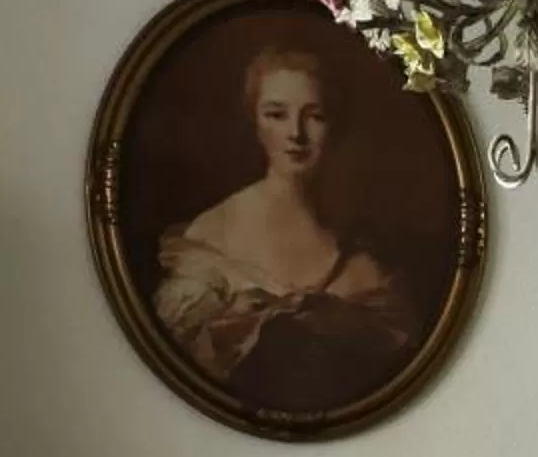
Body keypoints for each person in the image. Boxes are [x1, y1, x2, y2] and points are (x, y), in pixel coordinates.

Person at [154, 45, 415, 411]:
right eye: (276, 114)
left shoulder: (363, 249)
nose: (296, 133)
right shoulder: (213, 232)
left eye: (315, 116)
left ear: (334, 125)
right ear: (255, 123)